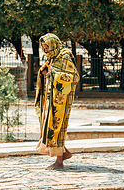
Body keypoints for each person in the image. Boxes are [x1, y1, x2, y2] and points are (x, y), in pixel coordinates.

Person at [35, 33, 79, 170]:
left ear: (53, 44)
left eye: (47, 47)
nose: (45, 50)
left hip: (61, 100)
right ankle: (64, 153)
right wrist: (45, 71)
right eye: (44, 47)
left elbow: (74, 77)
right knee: (50, 126)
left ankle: (59, 161)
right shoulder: (52, 58)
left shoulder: (65, 56)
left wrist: (51, 73)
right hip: (51, 97)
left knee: (58, 127)